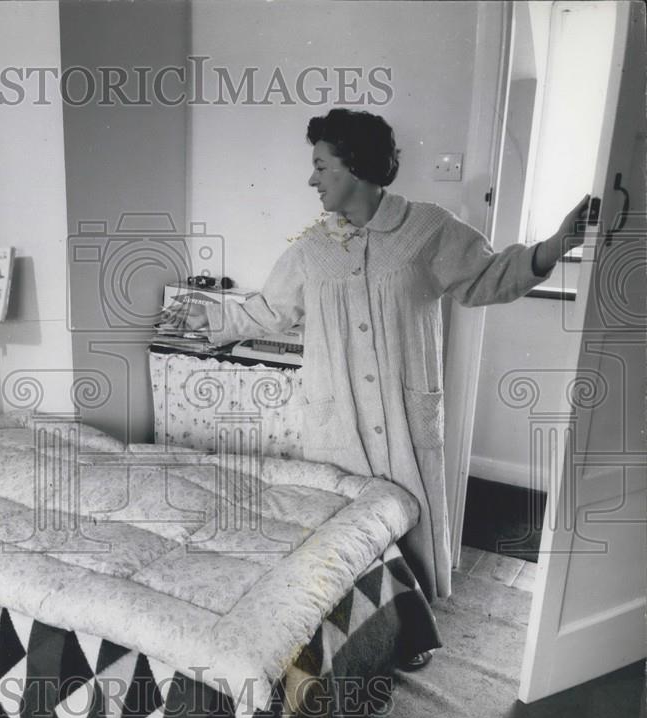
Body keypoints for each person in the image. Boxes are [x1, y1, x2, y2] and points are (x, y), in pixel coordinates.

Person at [168, 109, 590, 604]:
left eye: (322, 166)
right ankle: (354, 633)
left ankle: (410, 625)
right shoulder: (310, 248)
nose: (312, 179)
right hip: (337, 418)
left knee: (408, 519)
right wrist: (210, 318)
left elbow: (488, 277)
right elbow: (269, 311)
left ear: (356, 166)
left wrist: (557, 245)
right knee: (344, 532)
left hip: (402, 412)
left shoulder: (427, 229)